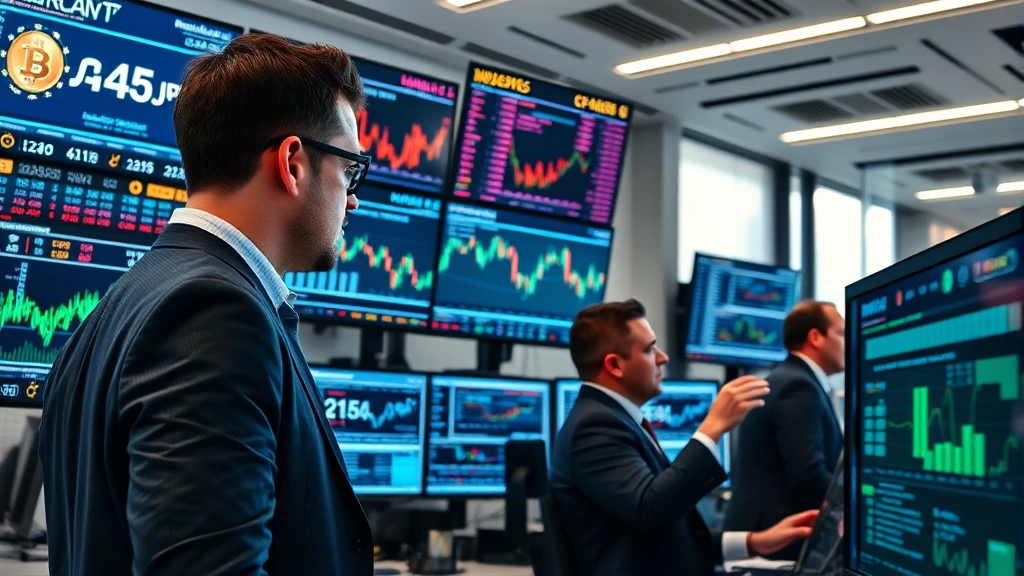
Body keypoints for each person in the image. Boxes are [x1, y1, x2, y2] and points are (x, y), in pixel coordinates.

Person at [39, 34, 373, 575]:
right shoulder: (214, 312)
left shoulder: (121, 306)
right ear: (293, 162)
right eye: (351, 170)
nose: (353, 197)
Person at [551, 299, 819, 576]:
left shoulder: (616, 420)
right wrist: (711, 428)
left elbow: (670, 532)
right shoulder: (594, 426)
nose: (662, 357)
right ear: (615, 365)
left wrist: (755, 542)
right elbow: (652, 510)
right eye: (648, 349)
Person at [724, 300, 845, 560]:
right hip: (776, 543)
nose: (849, 342)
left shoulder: (787, 378)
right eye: (842, 333)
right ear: (816, 337)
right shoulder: (798, 386)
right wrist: (861, 503)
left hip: (766, 534)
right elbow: (808, 474)